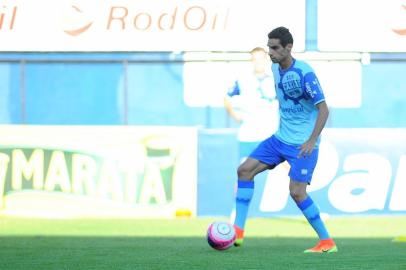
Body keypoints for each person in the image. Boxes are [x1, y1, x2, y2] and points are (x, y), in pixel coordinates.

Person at [232, 26, 337, 253]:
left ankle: (326, 241)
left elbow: (324, 109)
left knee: (297, 193)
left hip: (302, 145)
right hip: (279, 139)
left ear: (289, 47)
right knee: (244, 171)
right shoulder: (275, 68)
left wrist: (311, 141)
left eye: (275, 48)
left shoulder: (305, 73)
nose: (270, 52)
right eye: (269, 47)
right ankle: (237, 232)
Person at [224, 47, 279, 161]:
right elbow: (226, 98)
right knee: (245, 173)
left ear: (267, 60)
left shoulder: (276, 81)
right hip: (248, 135)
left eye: (261, 59)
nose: (258, 62)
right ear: (251, 61)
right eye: (255, 59)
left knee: (284, 169)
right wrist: (234, 115)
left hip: (269, 135)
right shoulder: (243, 80)